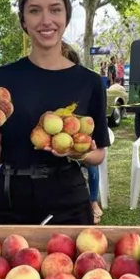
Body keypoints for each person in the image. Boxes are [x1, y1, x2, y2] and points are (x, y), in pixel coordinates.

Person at [0, 0, 110, 225]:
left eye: (55, 9)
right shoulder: (1, 79)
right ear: (23, 20)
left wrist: (76, 152)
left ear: (66, 17)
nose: (46, 20)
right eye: (34, 10)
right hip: (12, 198)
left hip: (69, 199)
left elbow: (99, 153)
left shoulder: (90, 82)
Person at [62, 45, 105, 224]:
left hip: (79, 147)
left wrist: (83, 152)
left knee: (93, 171)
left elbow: (98, 147)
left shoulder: (85, 89)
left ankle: (93, 202)